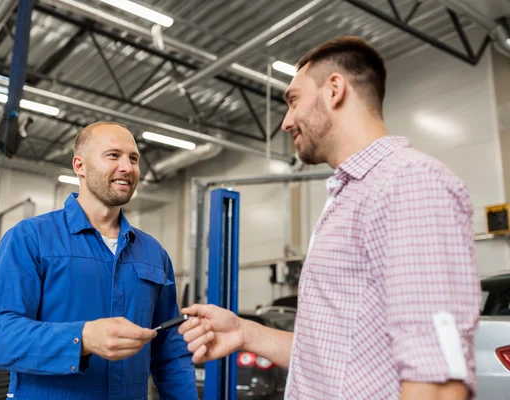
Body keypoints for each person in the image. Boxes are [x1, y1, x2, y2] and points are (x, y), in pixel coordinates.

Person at [178, 36, 481, 400]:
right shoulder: (350, 194)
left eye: (293, 101)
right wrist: (245, 332)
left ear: (334, 89)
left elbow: (439, 382)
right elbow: (334, 358)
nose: (286, 121)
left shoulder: (409, 182)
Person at [0, 122, 197, 399]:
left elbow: (170, 354)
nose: (127, 167)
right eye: (113, 155)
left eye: (134, 158)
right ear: (79, 166)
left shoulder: (153, 253)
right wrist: (82, 338)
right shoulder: (30, 239)